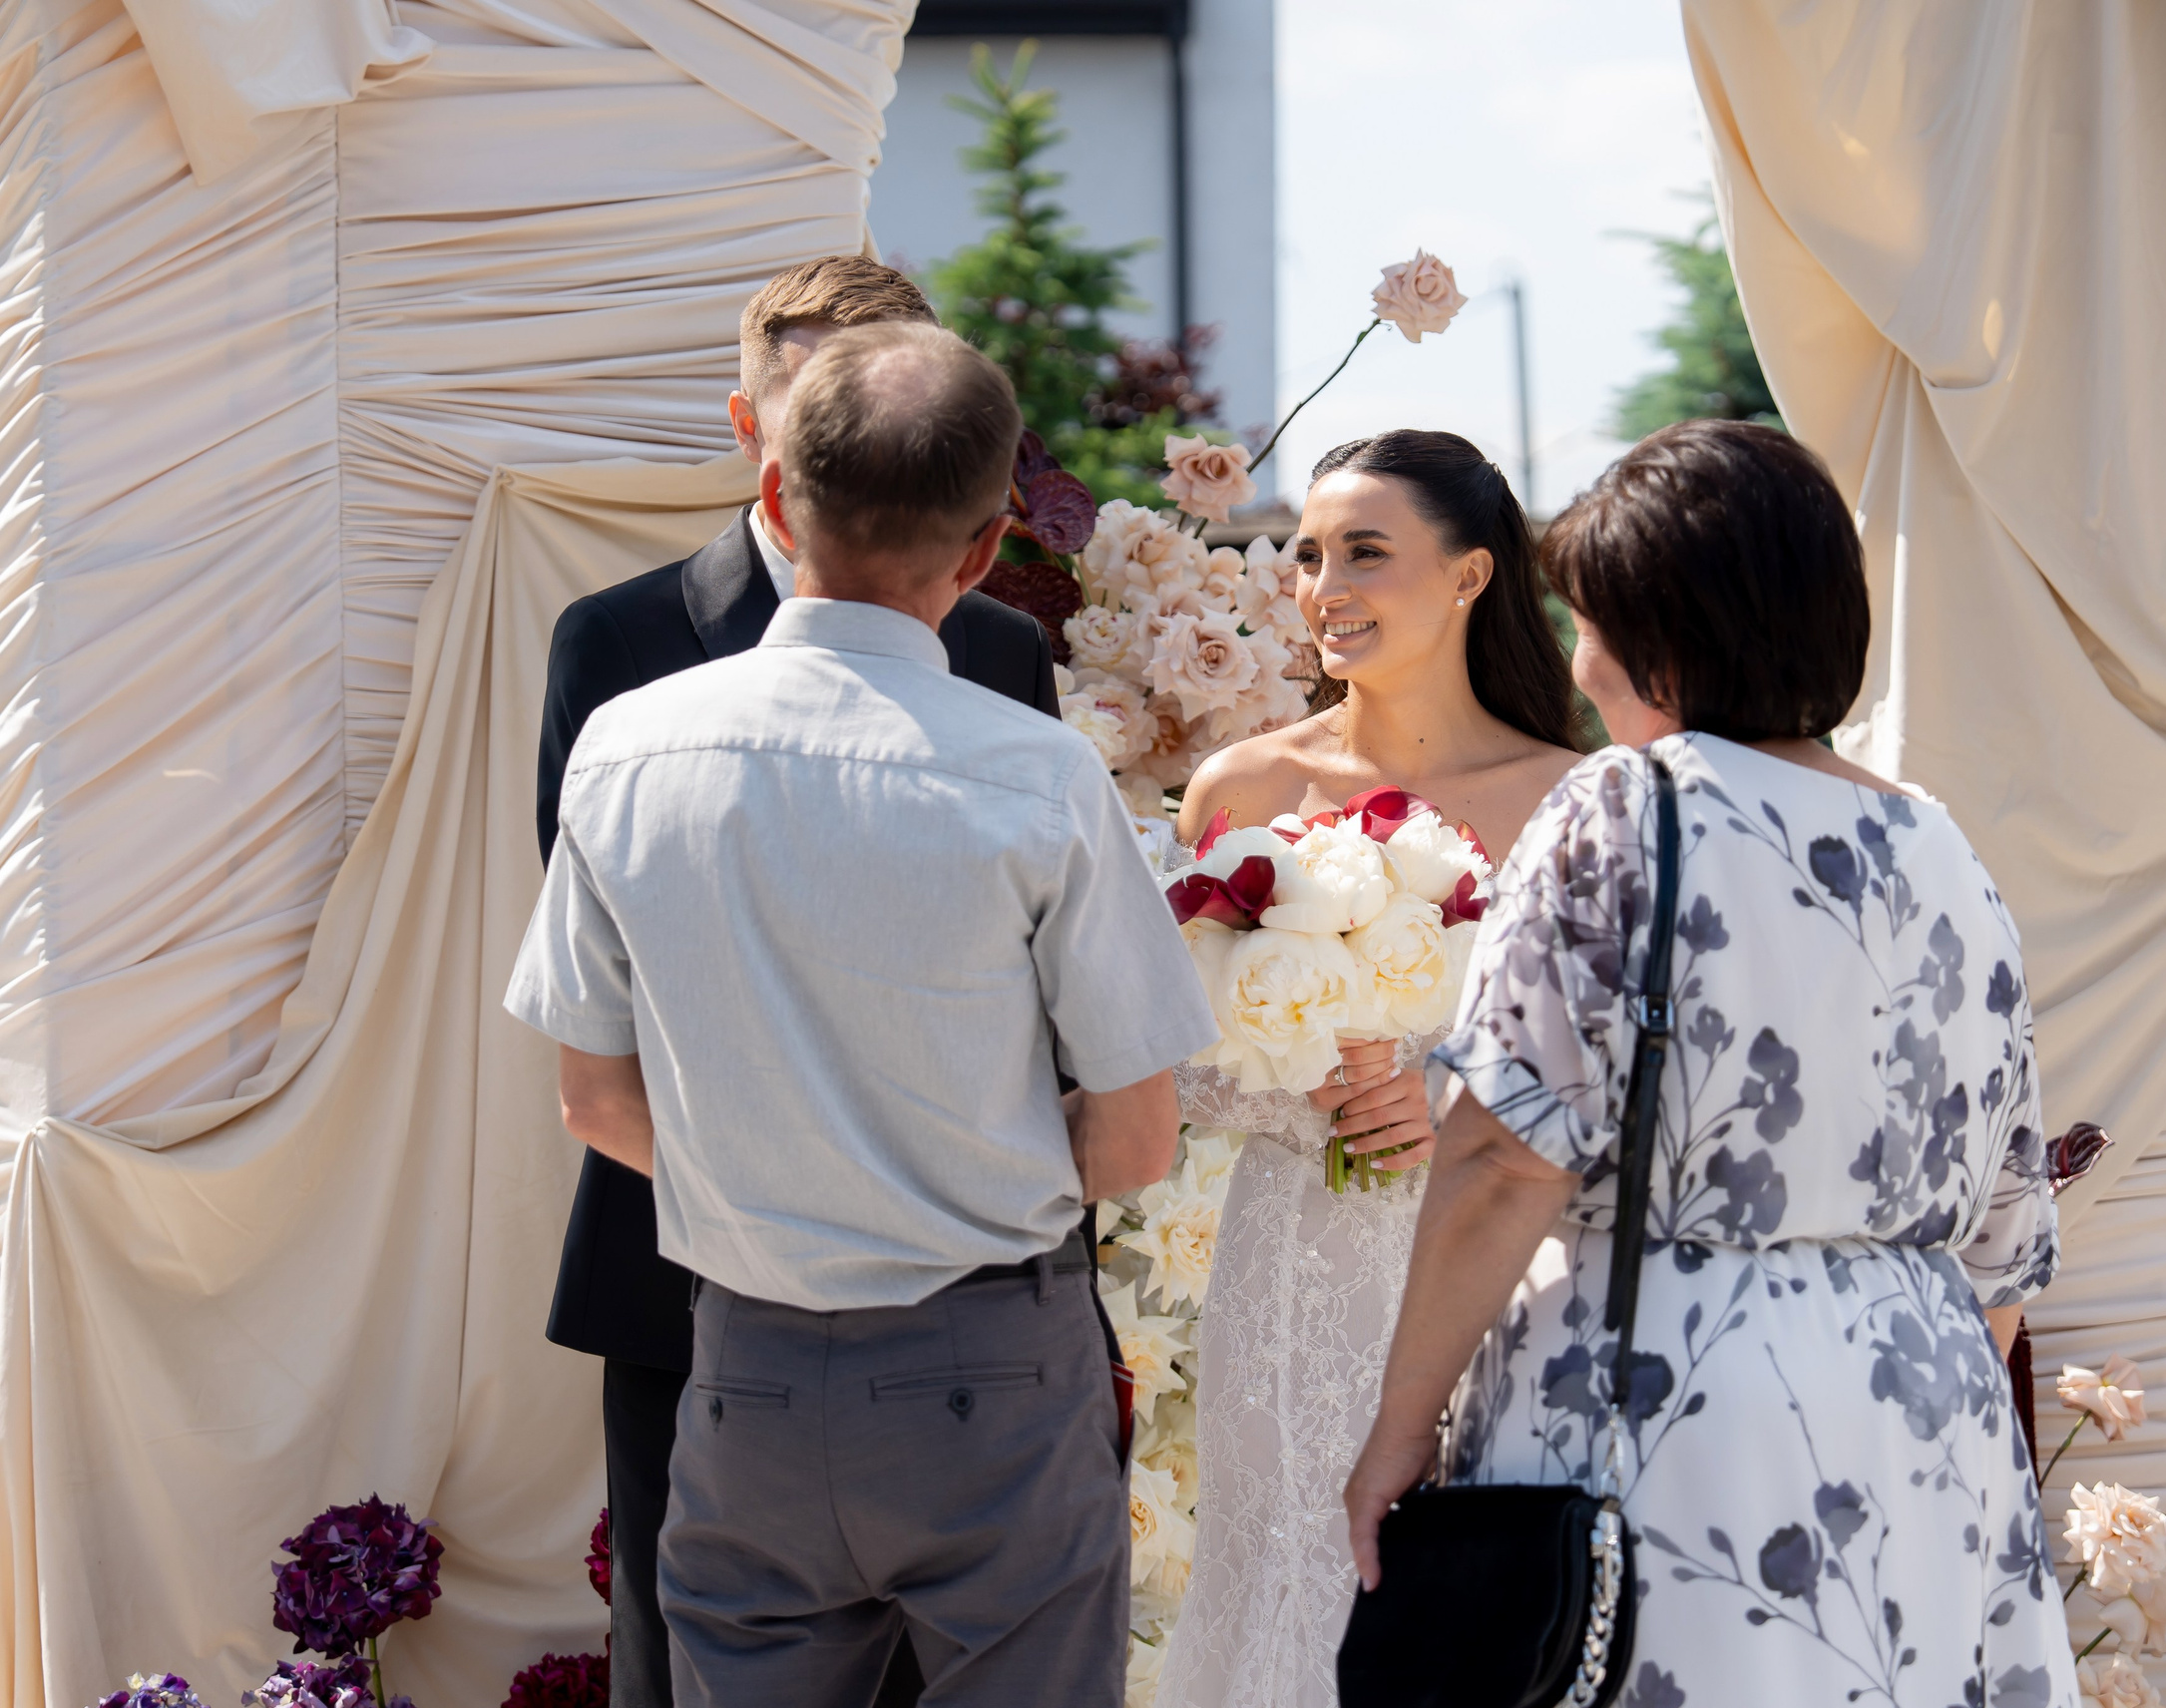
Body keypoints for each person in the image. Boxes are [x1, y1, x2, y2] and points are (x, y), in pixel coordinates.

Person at [506, 322, 1215, 1706]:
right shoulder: (1038, 777)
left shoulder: (628, 749)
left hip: (744, 1365)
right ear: (987, 543)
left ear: (775, 497)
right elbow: (1135, 1140)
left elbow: (593, 1100)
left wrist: (782, 1181)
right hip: (989, 1372)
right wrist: (946, 1170)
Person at [1345, 420, 2073, 1708]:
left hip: (1680, 1406)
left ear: (1663, 642)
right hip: (1927, 1413)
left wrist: (1401, 1435)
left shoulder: (1627, 807)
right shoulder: (1941, 842)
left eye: (1595, 624)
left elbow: (1507, 1153)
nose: (1579, 664)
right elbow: (2006, 1236)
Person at [1157, 431, 1584, 1708]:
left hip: (1504, 1262)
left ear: (1466, 577)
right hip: (1288, 1262)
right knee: (1281, 1585)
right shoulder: (1243, 785)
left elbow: (1609, 1071)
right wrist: (1302, 1085)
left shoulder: (1576, 798)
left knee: (1478, 1603)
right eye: (1305, 555)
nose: (1322, 583)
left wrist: (1446, 1090)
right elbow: (1174, 1060)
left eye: (1364, 552)